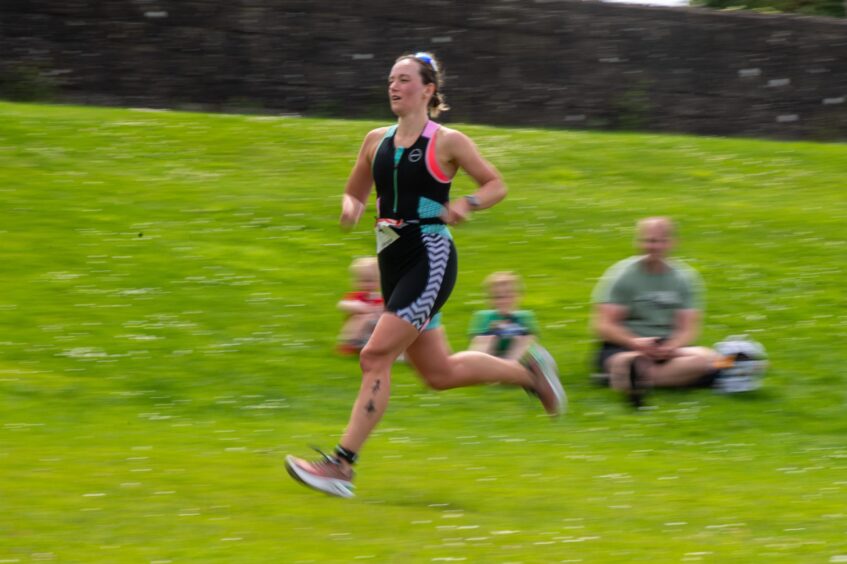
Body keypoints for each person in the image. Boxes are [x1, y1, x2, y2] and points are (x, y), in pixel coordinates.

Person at [286, 52, 565, 498]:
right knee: (439, 373)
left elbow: (495, 184)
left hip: (430, 259)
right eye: (391, 80)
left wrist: (466, 205)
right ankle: (531, 375)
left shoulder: (448, 142)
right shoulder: (375, 139)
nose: (394, 87)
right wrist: (350, 207)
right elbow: (356, 186)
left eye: (404, 80)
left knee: (374, 356)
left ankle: (341, 465)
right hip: (392, 263)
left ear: (428, 89)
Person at [591, 217, 720, 408]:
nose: (654, 246)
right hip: (625, 346)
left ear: (672, 243)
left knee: (712, 359)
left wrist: (670, 347)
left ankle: (630, 377)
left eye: (660, 241)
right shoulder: (623, 275)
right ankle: (637, 372)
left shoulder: (684, 278)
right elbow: (604, 325)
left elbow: (688, 329)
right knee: (629, 360)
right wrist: (635, 342)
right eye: (648, 240)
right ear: (638, 242)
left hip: (667, 348)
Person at [468, 271, 539, 361]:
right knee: (486, 339)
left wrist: (517, 329)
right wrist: (494, 332)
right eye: (498, 297)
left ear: (518, 296)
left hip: (522, 361)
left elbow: (530, 342)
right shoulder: (485, 317)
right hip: (493, 357)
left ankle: (511, 365)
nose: (503, 301)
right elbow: (478, 343)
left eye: (509, 296)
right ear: (490, 300)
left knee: (523, 339)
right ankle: (477, 364)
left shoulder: (524, 317)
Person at [336, 257, 383, 356]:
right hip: (355, 333)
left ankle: (372, 347)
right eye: (362, 281)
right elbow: (342, 305)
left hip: (372, 334)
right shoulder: (356, 297)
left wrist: (378, 311)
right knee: (362, 317)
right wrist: (360, 307)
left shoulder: (379, 298)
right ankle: (350, 344)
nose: (367, 285)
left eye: (370, 281)